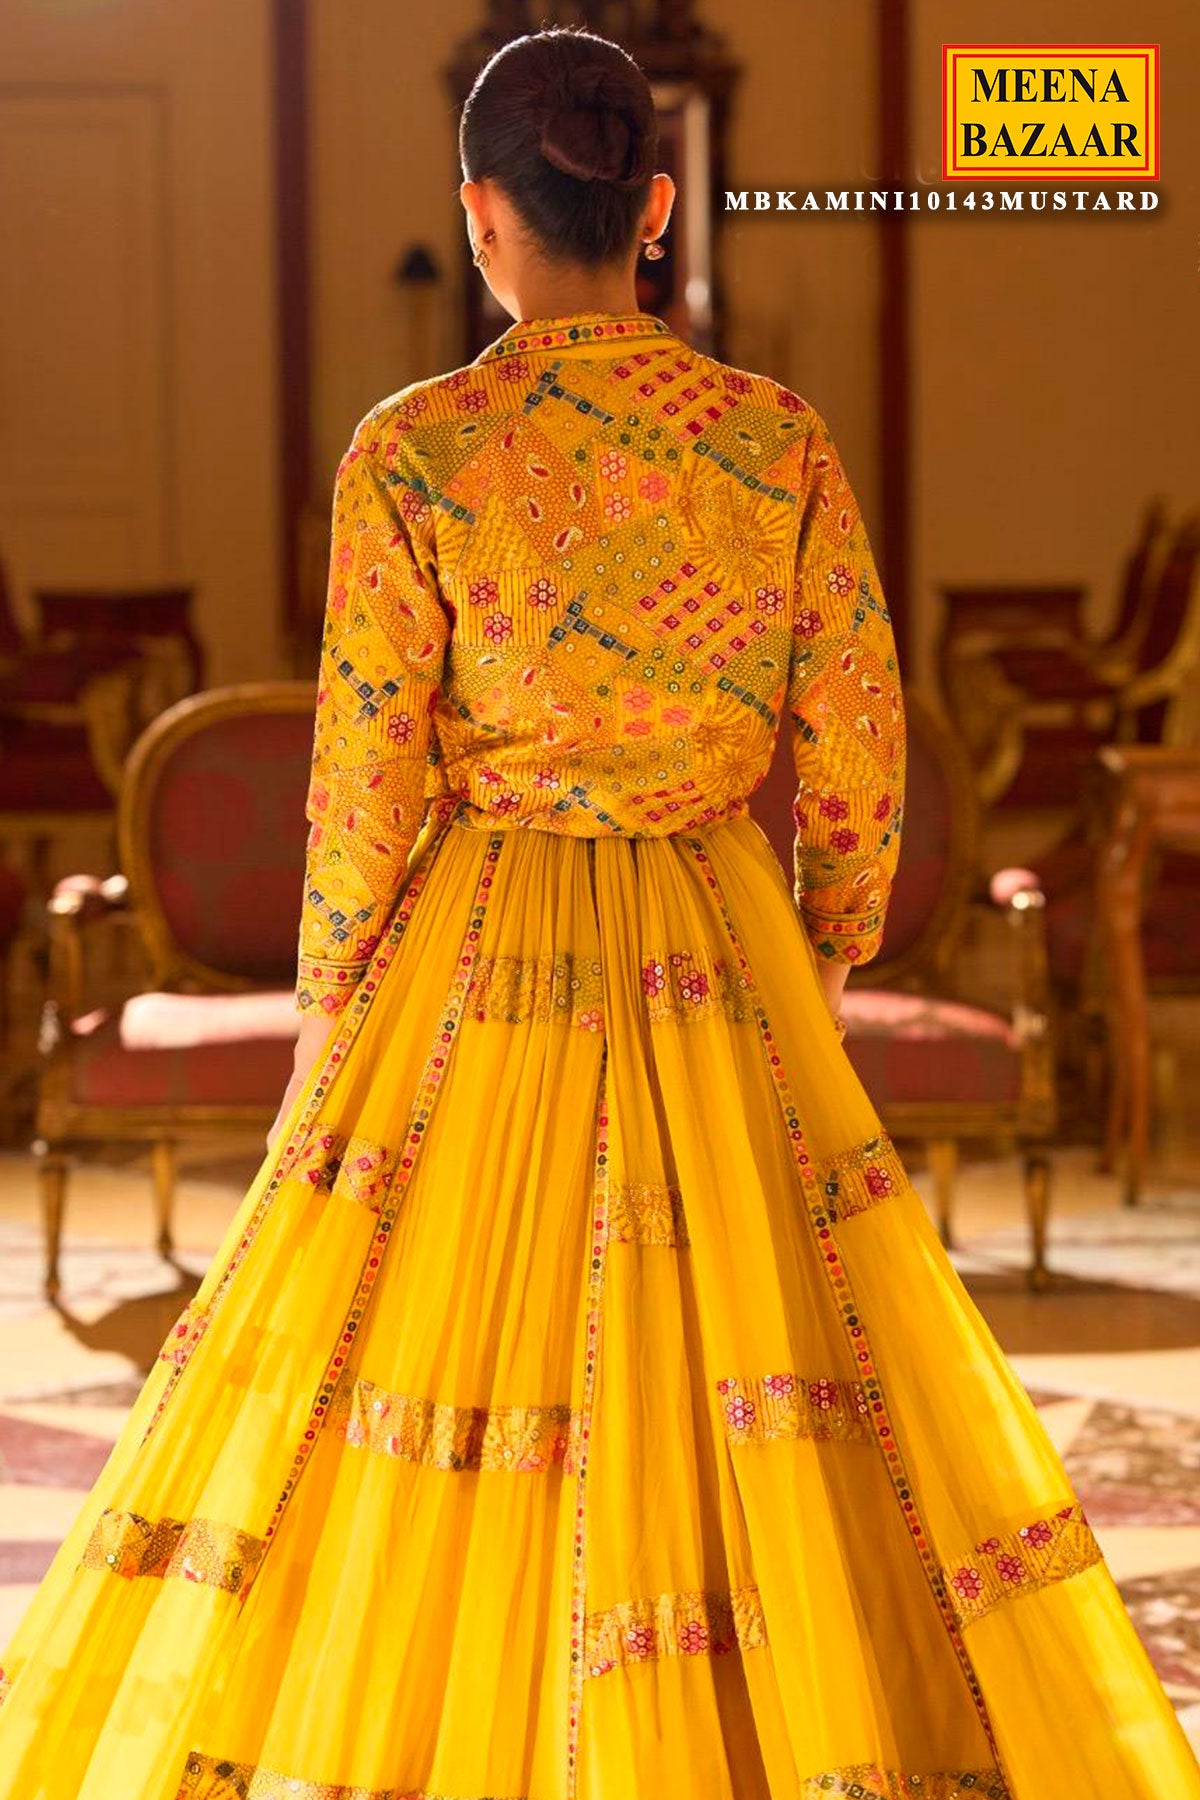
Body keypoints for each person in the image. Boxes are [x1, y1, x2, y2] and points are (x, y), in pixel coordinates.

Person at [1, 24, 1198, 1800]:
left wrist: (337, 996)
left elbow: (366, 766)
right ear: (653, 207)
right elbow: (857, 719)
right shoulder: (769, 436)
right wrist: (828, 929)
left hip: (473, 945)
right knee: (766, 1327)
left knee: (426, 1335)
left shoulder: (414, 452)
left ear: (482, 218)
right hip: (718, 924)